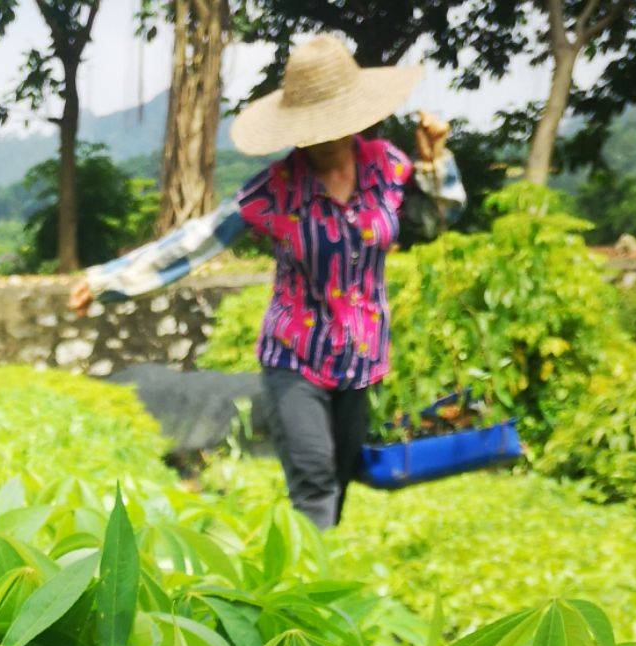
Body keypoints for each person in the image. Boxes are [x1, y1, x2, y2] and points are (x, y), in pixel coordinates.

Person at [71, 34, 465, 529]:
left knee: (338, 479)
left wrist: (434, 162)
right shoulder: (277, 189)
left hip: (361, 357)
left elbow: (432, 223)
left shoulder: (386, 166)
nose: (322, 137)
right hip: (294, 357)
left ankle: (317, 575)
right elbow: (198, 240)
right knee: (314, 479)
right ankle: (300, 589)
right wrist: (110, 280)